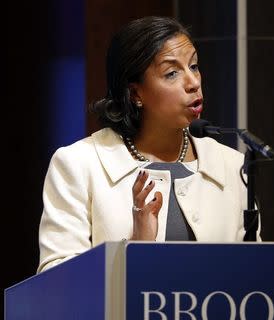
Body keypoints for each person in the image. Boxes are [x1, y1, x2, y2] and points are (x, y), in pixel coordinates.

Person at [37, 16, 260, 273]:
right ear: (135, 93)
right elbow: (55, 279)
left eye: (194, 66)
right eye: (172, 73)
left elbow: (253, 278)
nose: (193, 83)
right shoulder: (79, 164)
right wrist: (134, 248)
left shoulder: (232, 167)